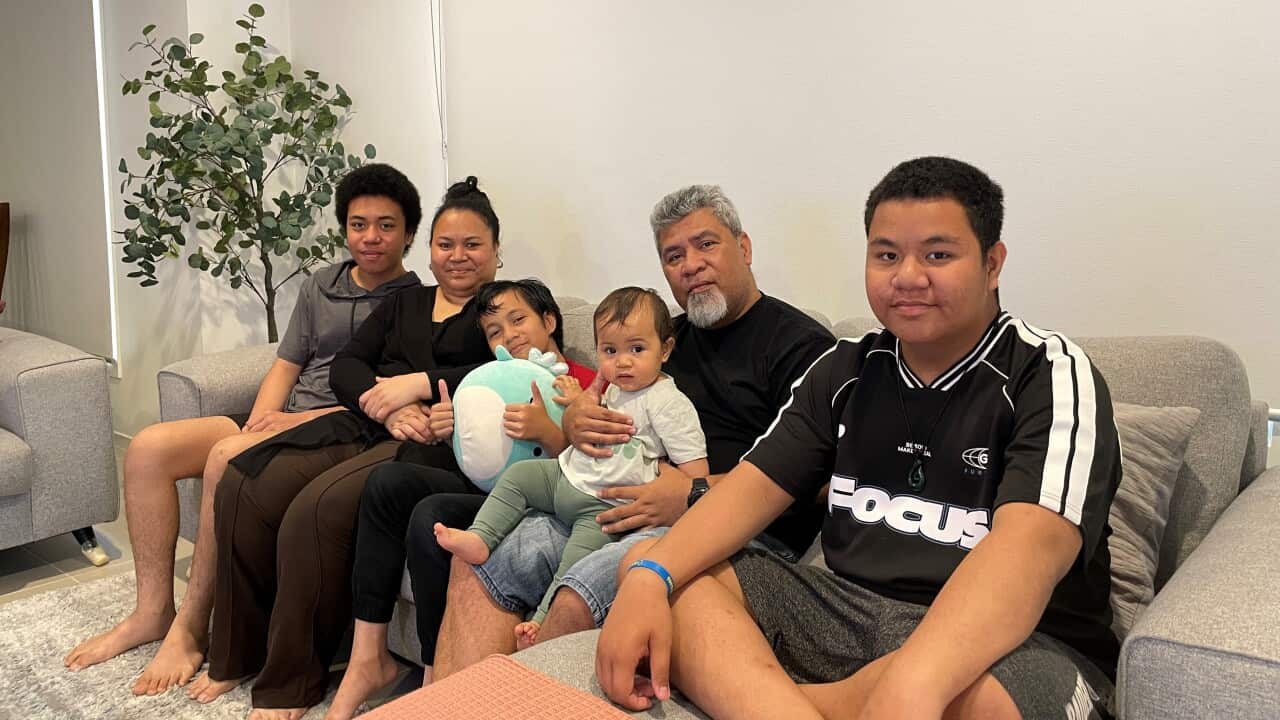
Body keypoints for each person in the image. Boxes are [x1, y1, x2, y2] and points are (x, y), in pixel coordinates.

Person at [596, 157, 1123, 720]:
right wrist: (649, 578)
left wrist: (910, 685)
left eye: (938, 254)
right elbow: (749, 489)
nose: (908, 276)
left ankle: (771, 702)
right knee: (660, 566)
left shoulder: (1048, 371)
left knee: (989, 702)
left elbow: (1029, 552)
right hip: (850, 614)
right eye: (887, 254)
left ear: (992, 263)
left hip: (1015, 640)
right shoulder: (844, 369)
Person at [428, 184, 836, 679]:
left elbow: (817, 482)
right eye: (673, 255)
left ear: (744, 248)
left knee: (576, 597)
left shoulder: (802, 346)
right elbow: (588, 398)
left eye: (706, 244)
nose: (690, 264)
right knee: (476, 561)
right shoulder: (661, 340)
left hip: (737, 532)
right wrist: (575, 422)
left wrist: (692, 492)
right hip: (610, 504)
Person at [62, 163, 422, 696]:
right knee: (148, 449)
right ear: (343, 227)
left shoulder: (412, 303)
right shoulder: (322, 282)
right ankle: (153, 611)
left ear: (409, 234)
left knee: (227, 455)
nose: (371, 237)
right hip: (283, 416)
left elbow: (375, 402)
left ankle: (191, 627)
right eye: (358, 223)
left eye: (387, 225)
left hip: (336, 428)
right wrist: (262, 418)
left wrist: (286, 424)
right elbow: (288, 362)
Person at [190, 176, 501, 720]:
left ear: (496, 251)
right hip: (370, 422)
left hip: (427, 445)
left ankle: (291, 684)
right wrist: (385, 402)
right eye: (445, 244)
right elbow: (350, 365)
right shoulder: (409, 302)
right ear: (427, 249)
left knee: (316, 511)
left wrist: (419, 385)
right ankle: (236, 653)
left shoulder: (501, 307)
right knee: (247, 479)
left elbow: (510, 366)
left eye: (472, 244)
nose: (457, 257)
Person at [323, 279, 595, 720]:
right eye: (494, 331)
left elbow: (597, 472)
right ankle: (366, 659)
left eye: (518, 319)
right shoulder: (488, 385)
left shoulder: (585, 385)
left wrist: (551, 432)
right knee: (387, 483)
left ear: (549, 321)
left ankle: (435, 677)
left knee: (432, 519)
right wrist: (453, 433)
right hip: (492, 497)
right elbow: (482, 463)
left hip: (543, 507)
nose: (508, 335)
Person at [436, 286, 708, 643]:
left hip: (602, 508)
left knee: (575, 563)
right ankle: (481, 537)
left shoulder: (669, 404)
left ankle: (541, 619)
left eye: (637, 349)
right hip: (565, 476)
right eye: (610, 351)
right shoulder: (610, 387)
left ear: (666, 350)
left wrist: (668, 485)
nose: (622, 362)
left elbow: (695, 476)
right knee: (519, 476)